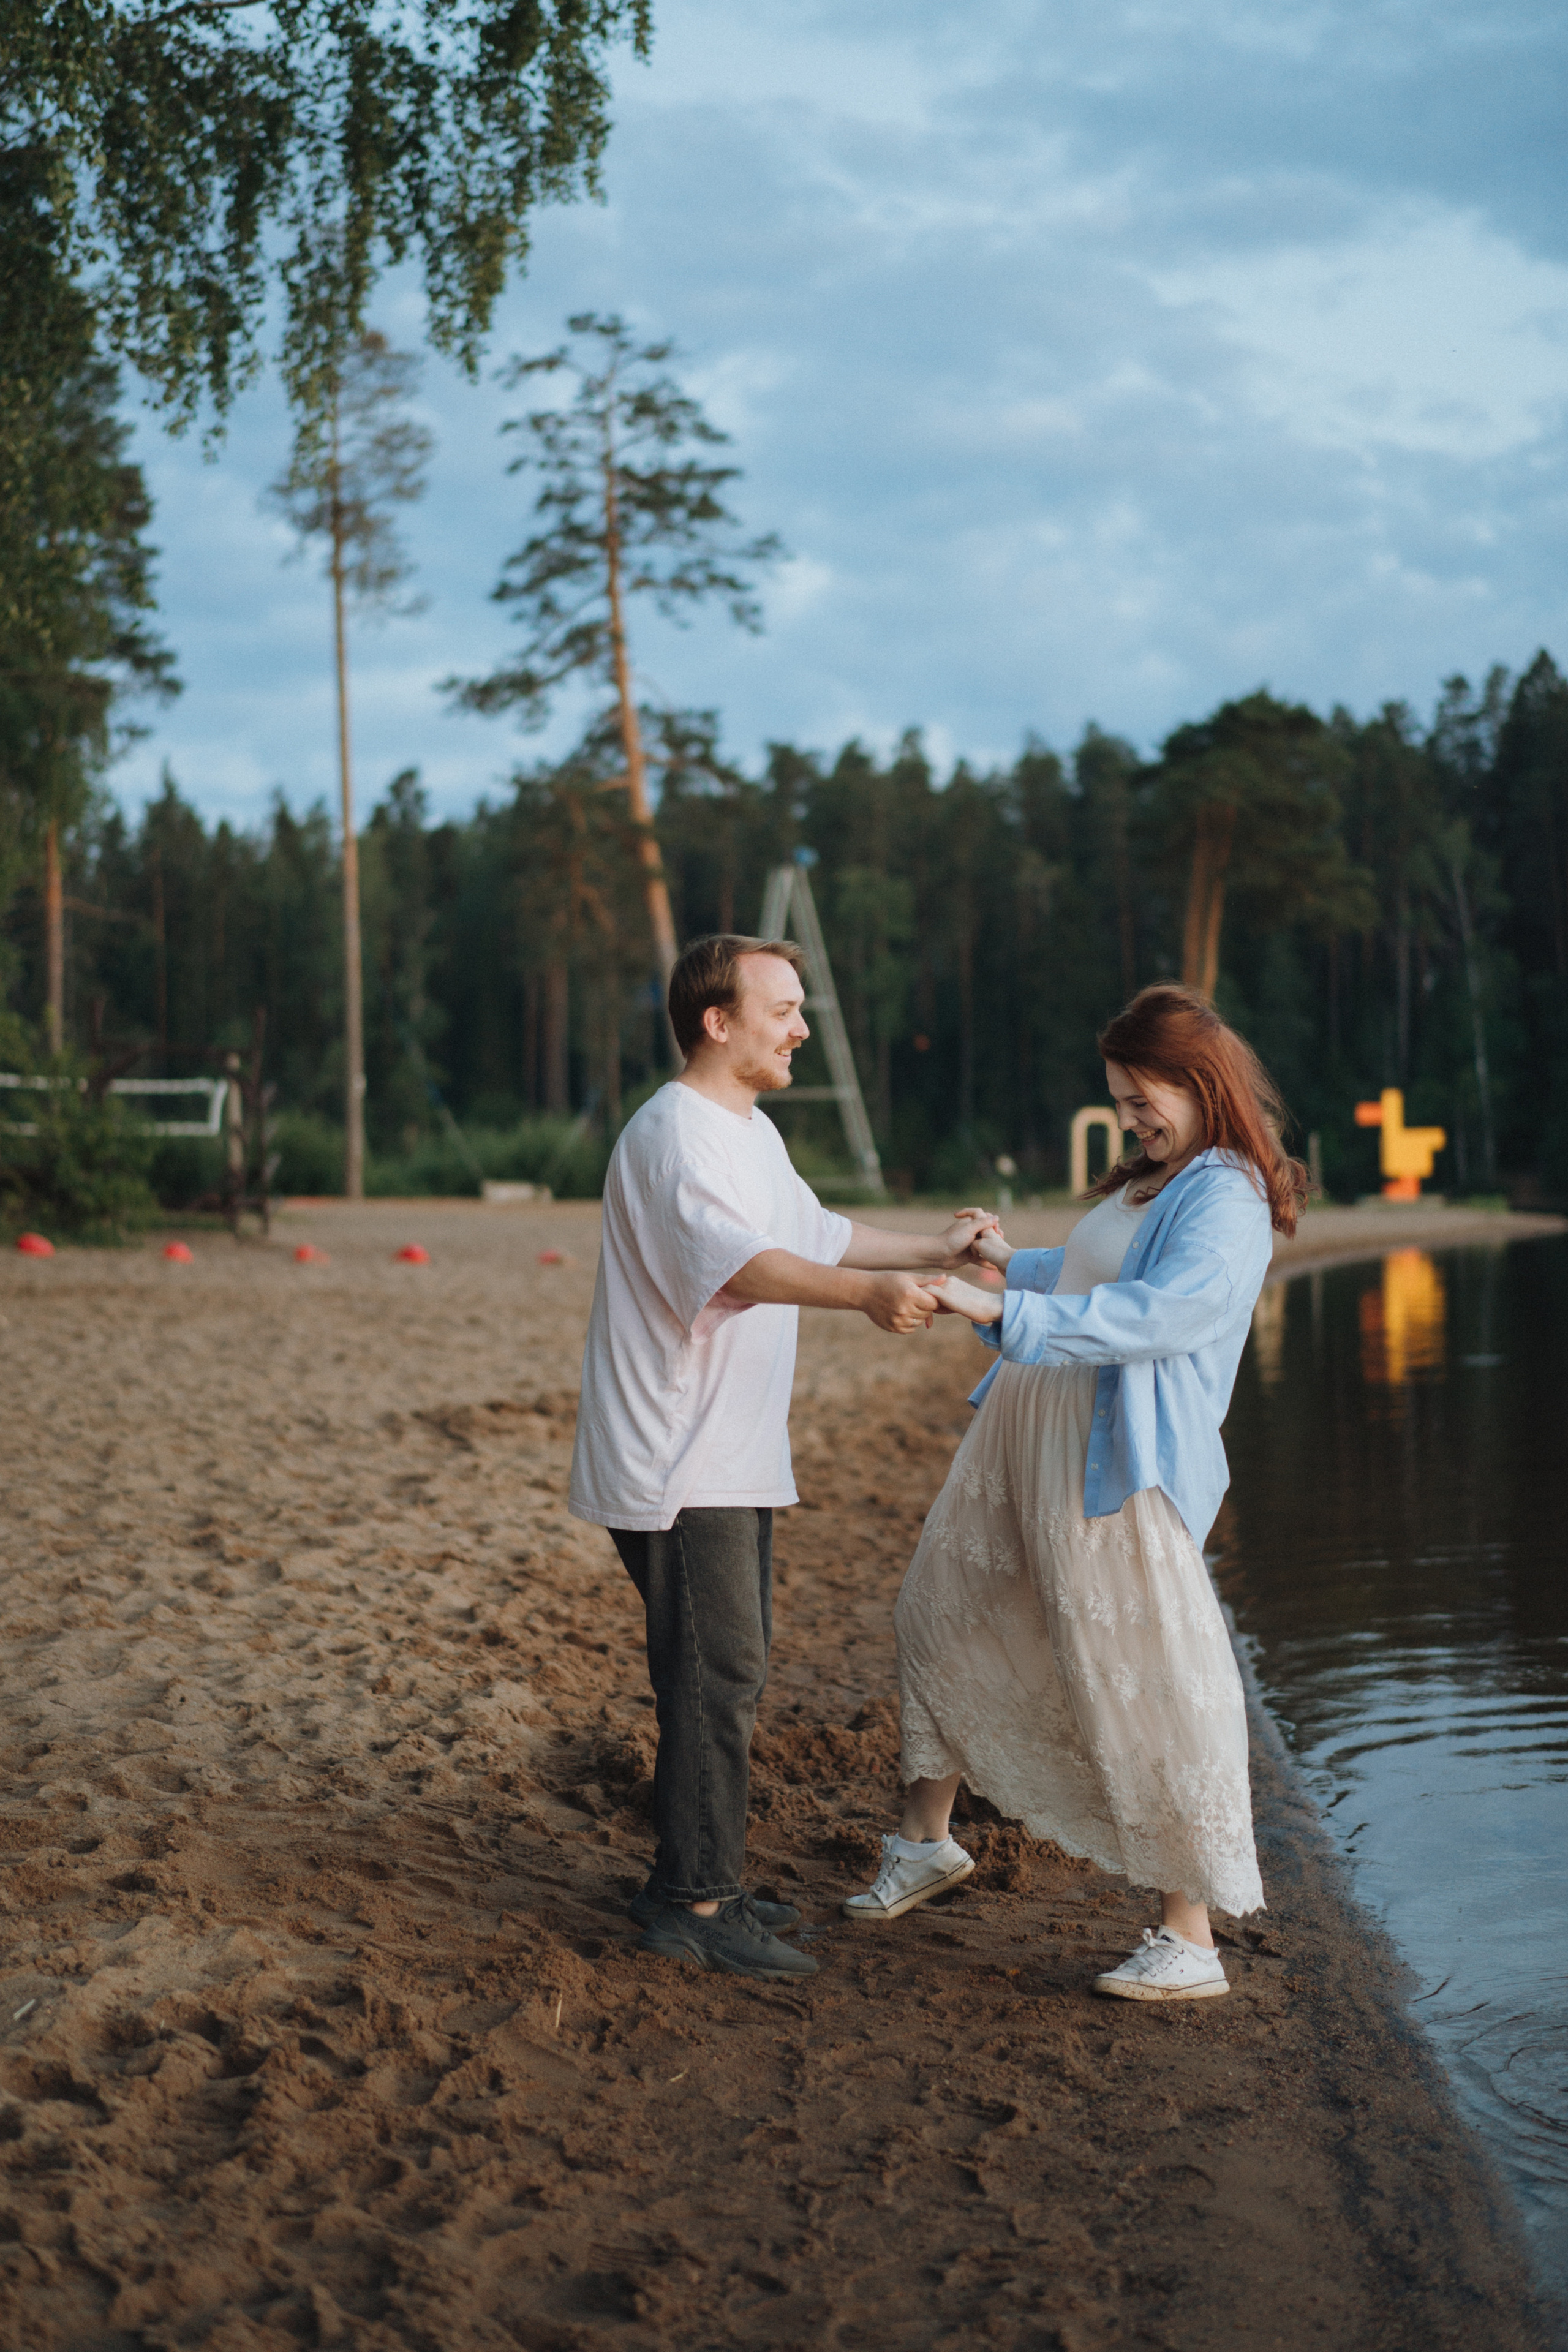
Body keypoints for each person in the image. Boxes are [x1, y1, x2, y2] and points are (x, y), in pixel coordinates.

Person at [844, 985, 1305, 2002]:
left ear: (1201, 1082)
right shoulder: (1159, 1173)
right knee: (942, 1611)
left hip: (1110, 1456)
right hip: (1027, 1425)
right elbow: (1088, 1271)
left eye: (1142, 1099)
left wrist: (991, 1311)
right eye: (1121, 1099)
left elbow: (1160, 1315)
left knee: (1140, 1671)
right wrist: (1005, 1264)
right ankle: (924, 1843)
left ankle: (1190, 1936)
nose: (1131, 1118)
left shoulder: (1228, 1195)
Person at [569, 932, 997, 1983]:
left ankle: (694, 1876)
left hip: (728, 1451)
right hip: (678, 1457)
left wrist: (932, 1251)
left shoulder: (745, 1130)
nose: (802, 1028)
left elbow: (818, 1232)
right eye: (784, 1010)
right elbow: (746, 1268)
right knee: (717, 1675)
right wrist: (869, 1300)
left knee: (723, 1669)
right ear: (718, 1022)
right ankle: (694, 1904)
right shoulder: (675, 1134)